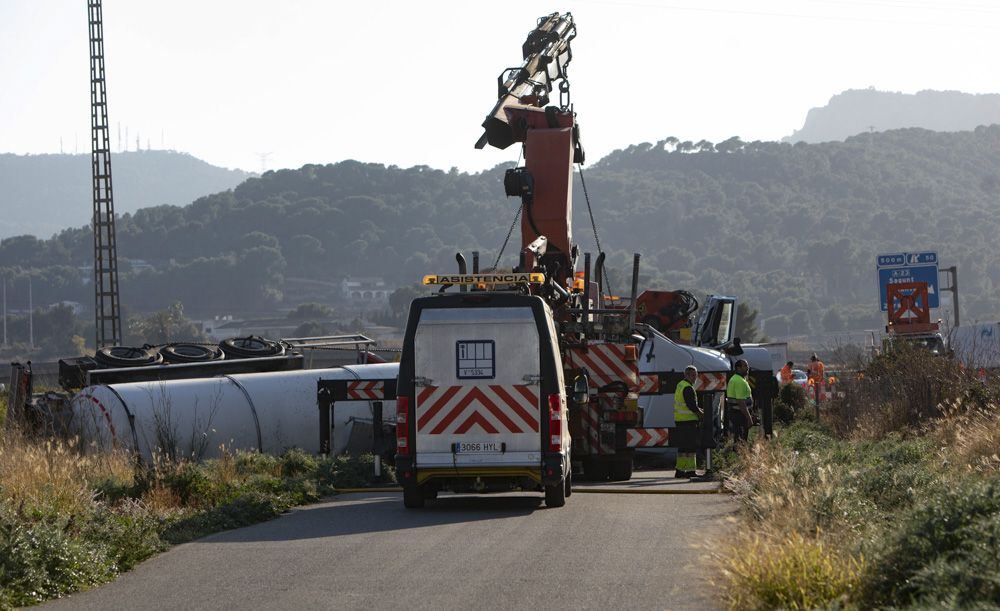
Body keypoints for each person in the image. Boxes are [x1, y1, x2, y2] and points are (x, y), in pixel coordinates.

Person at [673, 365, 704, 479]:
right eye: (692, 375)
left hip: (681, 421)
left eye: (696, 375)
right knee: (690, 447)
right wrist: (701, 414)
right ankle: (690, 471)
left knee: (683, 447)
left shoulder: (680, 385)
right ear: (686, 375)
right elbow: (691, 405)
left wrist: (698, 410)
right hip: (688, 421)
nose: (694, 377)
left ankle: (680, 471)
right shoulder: (688, 388)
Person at [726, 359, 754, 443]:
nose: (747, 368)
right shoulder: (739, 381)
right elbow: (741, 402)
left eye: (747, 365)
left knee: (738, 437)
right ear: (738, 368)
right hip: (740, 415)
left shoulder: (736, 379)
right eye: (745, 366)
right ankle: (738, 454)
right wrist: (749, 418)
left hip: (737, 413)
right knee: (741, 440)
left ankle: (738, 453)